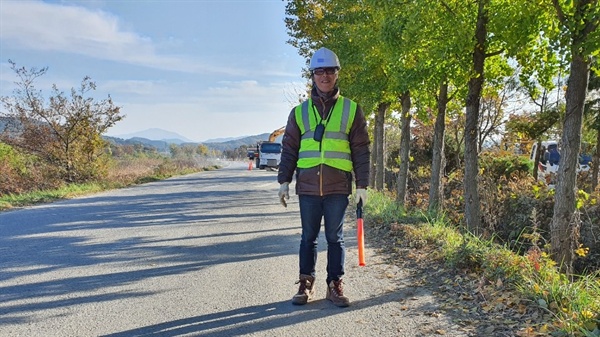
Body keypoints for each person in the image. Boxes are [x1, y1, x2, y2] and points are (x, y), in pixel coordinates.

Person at [277, 47, 370, 307]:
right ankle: (306, 282)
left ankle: (335, 284)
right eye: (319, 71)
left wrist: (363, 184)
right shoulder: (299, 112)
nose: (325, 76)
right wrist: (284, 181)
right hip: (307, 187)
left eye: (330, 70)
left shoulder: (352, 110)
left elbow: (361, 149)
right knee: (308, 237)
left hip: (337, 186)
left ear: (337, 74)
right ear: (313, 75)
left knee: (335, 238)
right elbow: (289, 149)